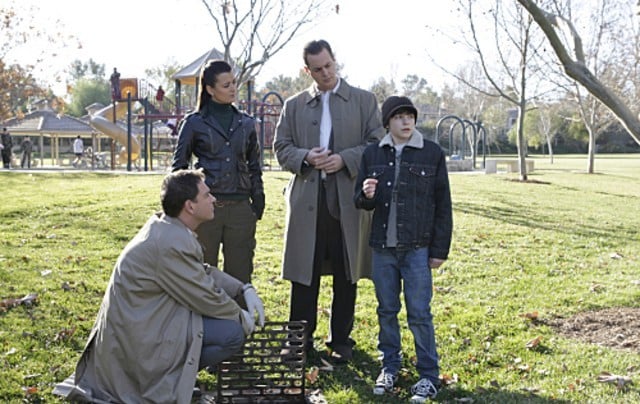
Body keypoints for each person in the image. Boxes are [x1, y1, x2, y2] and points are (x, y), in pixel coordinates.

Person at [53, 169, 265, 403]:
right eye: (206, 195)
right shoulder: (170, 242)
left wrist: (242, 288)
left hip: (146, 322)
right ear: (190, 206)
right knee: (232, 334)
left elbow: (200, 271)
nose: (214, 198)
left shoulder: (169, 229)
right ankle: (168, 382)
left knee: (224, 327)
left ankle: (174, 378)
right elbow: (205, 296)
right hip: (140, 337)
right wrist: (239, 316)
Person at [273, 39, 384, 363]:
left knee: (346, 272)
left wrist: (345, 159)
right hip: (308, 199)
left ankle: (341, 342)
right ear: (307, 70)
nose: (325, 73)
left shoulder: (364, 100)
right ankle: (299, 343)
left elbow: (377, 143)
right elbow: (281, 147)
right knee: (302, 275)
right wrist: (305, 156)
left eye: (329, 66)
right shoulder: (293, 105)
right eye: (317, 69)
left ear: (336, 61)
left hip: (348, 200)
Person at [354, 96, 453, 402]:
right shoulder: (373, 153)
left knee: (420, 313)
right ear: (388, 123)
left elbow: (443, 206)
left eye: (410, 116)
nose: (406, 121)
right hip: (383, 248)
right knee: (386, 310)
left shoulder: (432, 153)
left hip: (417, 248)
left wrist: (439, 250)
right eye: (399, 117)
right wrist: (367, 194)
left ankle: (428, 375)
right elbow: (361, 199)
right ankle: (390, 366)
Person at [172, 59, 264, 285]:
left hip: (241, 210)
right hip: (205, 211)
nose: (233, 88)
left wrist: (258, 198)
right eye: (226, 85)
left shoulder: (246, 123)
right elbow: (179, 168)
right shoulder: (194, 123)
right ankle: (202, 322)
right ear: (210, 89)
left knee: (241, 277)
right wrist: (183, 206)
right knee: (202, 276)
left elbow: (254, 165)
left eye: (234, 83)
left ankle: (239, 321)